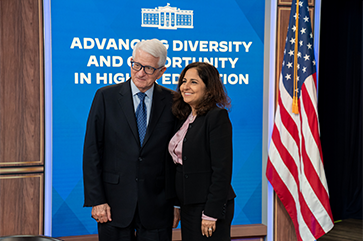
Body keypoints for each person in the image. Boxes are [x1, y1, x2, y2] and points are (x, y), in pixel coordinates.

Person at [83, 39, 179, 241]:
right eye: (136, 65)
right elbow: (92, 150)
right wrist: (96, 200)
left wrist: (177, 204)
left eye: (149, 68)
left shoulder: (173, 102)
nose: (140, 73)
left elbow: (178, 157)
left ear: (162, 71)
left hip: (158, 205)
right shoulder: (105, 97)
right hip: (113, 205)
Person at [168, 62, 236, 240]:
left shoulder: (216, 117)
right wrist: (176, 204)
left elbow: (222, 170)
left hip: (209, 207)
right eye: (184, 81)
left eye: (193, 82)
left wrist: (211, 213)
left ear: (209, 87)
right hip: (188, 205)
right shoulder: (184, 117)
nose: (185, 87)